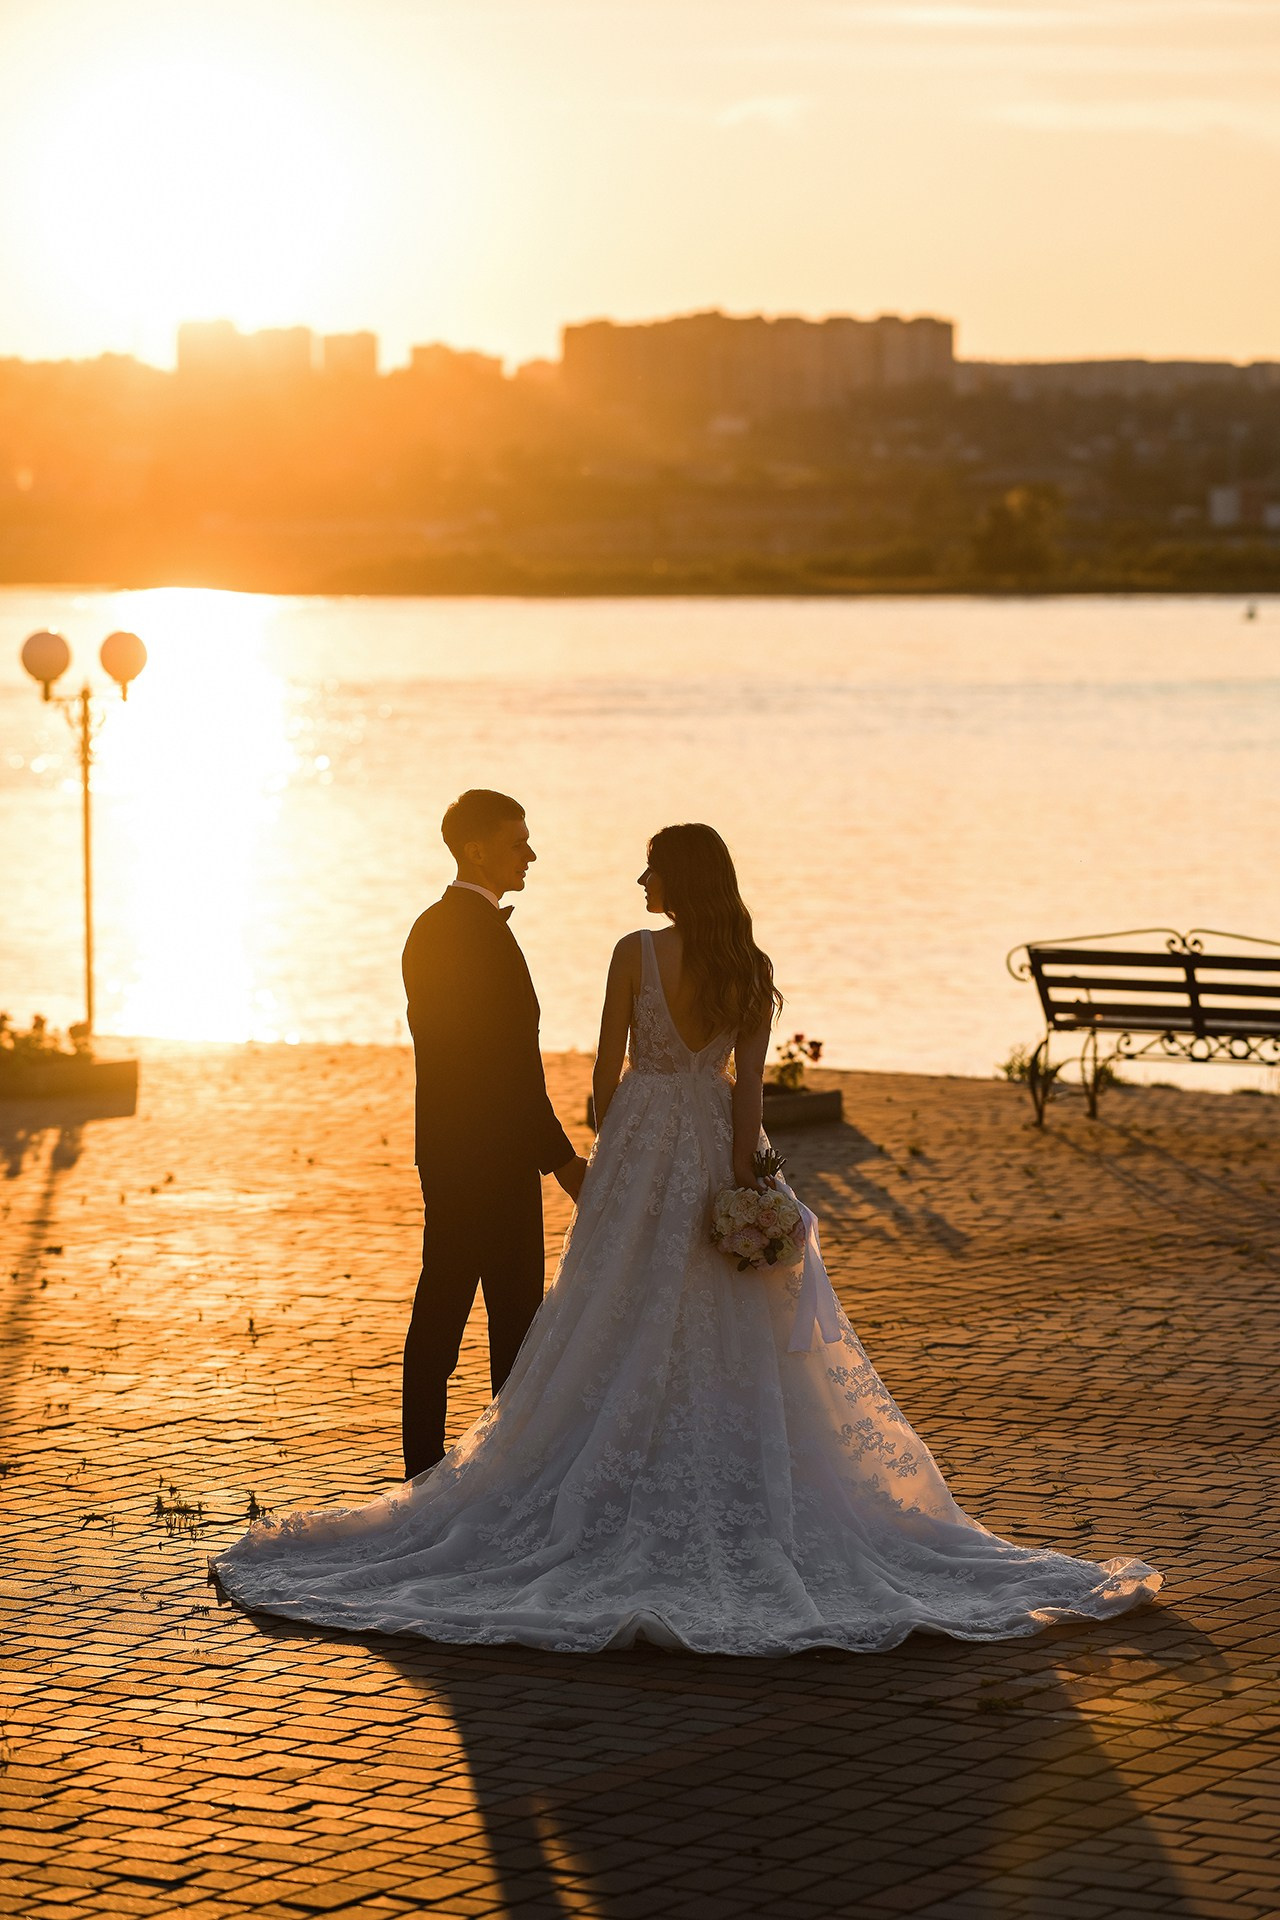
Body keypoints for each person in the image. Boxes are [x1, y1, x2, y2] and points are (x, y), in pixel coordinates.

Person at [213, 823, 1160, 1656]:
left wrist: (613, 1144)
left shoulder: (632, 954)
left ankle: (557, 1472)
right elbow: (749, 1105)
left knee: (609, 1306)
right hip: (711, 1145)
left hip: (636, 1152)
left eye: (652, 867)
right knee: (716, 1318)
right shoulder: (752, 970)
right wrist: (750, 1184)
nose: (640, 881)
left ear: (677, 878)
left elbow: (598, 1082)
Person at [399, 788, 586, 1478]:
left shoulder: (440, 927)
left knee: (494, 1314)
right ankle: (447, 1470)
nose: (531, 854)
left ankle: (478, 1468)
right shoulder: (456, 932)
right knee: (475, 1315)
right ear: (477, 849)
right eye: (518, 841)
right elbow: (502, 1064)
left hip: (466, 1154)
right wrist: (563, 1163)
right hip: (482, 1158)